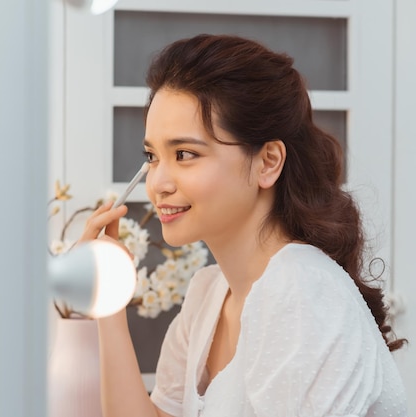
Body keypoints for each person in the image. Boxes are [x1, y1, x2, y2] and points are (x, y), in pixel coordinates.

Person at [77, 34, 408, 417]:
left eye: (185, 154)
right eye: (152, 156)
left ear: (268, 162)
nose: (158, 183)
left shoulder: (301, 290)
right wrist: (108, 299)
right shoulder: (209, 294)